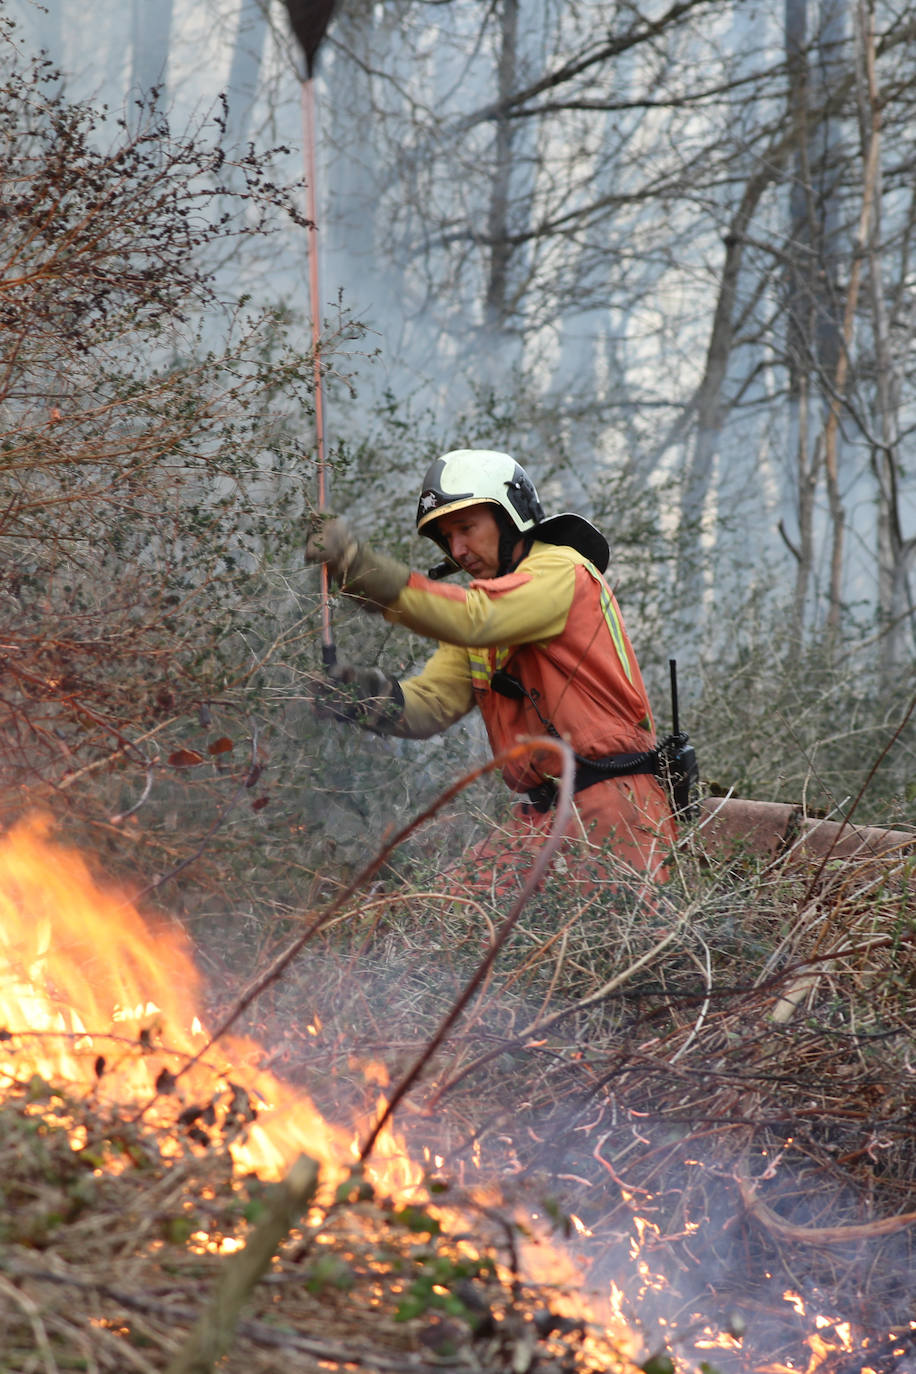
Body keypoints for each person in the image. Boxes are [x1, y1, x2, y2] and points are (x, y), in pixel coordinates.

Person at [305, 449, 676, 887]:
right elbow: (433, 703)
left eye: (466, 528)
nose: (458, 550)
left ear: (510, 515)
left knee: (598, 948)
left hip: (615, 810)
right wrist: (365, 697)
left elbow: (475, 618)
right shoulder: (488, 609)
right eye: (446, 538)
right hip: (541, 817)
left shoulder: (560, 571)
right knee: (440, 913)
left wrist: (357, 568)